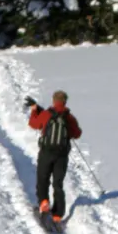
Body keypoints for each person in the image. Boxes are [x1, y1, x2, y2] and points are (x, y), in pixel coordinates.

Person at [27, 90, 82, 225]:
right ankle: (57, 215)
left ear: (53, 100)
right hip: (62, 155)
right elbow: (77, 134)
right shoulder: (69, 118)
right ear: (65, 102)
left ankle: (44, 202)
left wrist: (35, 110)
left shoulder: (46, 114)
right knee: (58, 184)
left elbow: (34, 124)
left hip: (46, 152)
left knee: (43, 178)